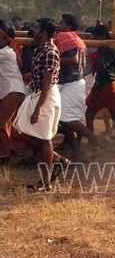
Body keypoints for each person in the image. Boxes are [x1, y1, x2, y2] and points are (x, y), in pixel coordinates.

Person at [12, 18, 66, 192]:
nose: (33, 30)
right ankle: (57, 160)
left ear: (43, 32)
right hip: (37, 95)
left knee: (44, 139)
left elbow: (48, 83)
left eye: (36, 27)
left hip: (45, 98)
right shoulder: (40, 49)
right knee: (18, 130)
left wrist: (39, 108)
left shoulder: (49, 52)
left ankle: (45, 182)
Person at [55, 14, 103, 159]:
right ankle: (77, 153)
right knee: (65, 119)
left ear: (68, 26)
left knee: (66, 119)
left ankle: (96, 140)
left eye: (61, 22)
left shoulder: (65, 36)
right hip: (72, 82)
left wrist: (53, 58)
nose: (58, 24)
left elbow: (74, 60)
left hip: (72, 82)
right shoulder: (74, 37)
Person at [84, 25, 115, 139]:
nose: (94, 41)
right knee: (89, 114)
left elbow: (101, 67)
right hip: (100, 83)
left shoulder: (109, 49)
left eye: (96, 38)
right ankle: (92, 142)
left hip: (107, 84)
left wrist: (99, 51)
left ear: (103, 36)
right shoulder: (106, 48)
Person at [0, 20, 26, 166]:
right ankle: (8, 149)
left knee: (1, 123)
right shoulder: (6, 51)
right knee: (7, 124)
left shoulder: (6, 53)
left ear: (6, 39)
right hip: (12, 90)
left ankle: (4, 156)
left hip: (13, 90)